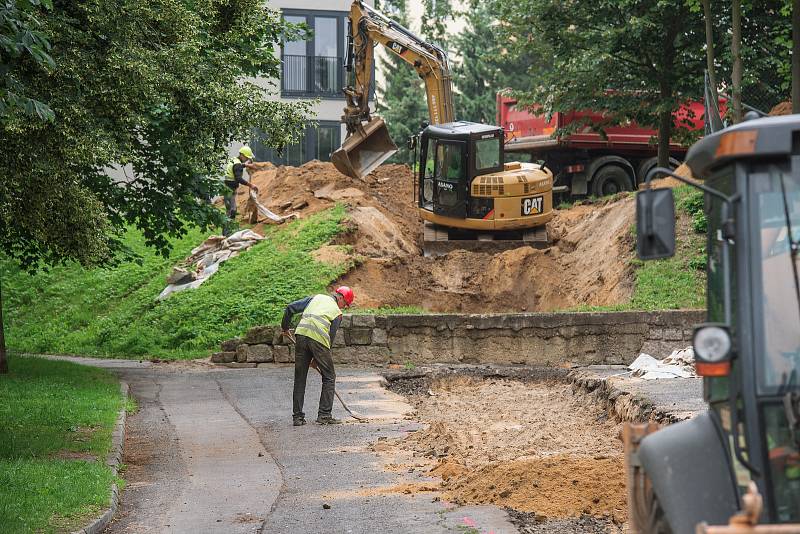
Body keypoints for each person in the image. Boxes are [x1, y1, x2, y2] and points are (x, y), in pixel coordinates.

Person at [281, 286, 355, 426]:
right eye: (345, 304)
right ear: (341, 298)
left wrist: (285, 327)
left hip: (301, 336)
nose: (344, 307)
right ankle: (324, 415)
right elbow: (329, 339)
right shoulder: (337, 313)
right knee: (329, 377)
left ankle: (297, 418)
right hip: (319, 341)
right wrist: (318, 359)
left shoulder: (315, 298)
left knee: (300, 378)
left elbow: (290, 307)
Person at [223, 145, 259, 233]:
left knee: (229, 210)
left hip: (227, 187)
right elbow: (239, 178)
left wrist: (245, 165)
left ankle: (227, 231)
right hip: (230, 189)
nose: (247, 159)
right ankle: (228, 232)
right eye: (246, 158)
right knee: (232, 210)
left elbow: (237, 166)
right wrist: (251, 185)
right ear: (242, 155)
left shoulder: (234, 160)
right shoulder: (238, 164)